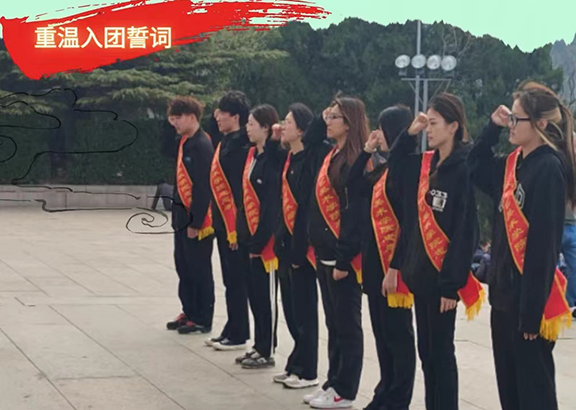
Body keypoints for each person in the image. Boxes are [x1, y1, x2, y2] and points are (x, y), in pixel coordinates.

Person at [469, 81, 575, 410]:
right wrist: (492, 128)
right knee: (510, 391)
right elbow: (475, 167)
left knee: (534, 393)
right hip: (504, 295)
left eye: (517, 119)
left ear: (540, 123)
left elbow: (543, 247)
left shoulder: (549, 168)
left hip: (528, 303)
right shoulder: (513, 164)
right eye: (510, 118)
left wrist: (531, 313)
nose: (511, 125)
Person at [389, 93, 483, 410]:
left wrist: (451, 284)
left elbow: (465, 230)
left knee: (442, 353)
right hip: (420, 273)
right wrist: (409, 134)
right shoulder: (427, 164)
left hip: (443, 278)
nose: (428, 129)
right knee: (427, 351)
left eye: (434, 123)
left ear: (453, 126)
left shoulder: (465, 166)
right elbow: (396, 167)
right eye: (427, 123)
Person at [347, 105, 416, 410]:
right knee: (383, 334)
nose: (377, 132)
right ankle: (385, 391)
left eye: (382, 128)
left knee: (399, 336)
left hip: (394, 266)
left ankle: (398, 398)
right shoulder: (383, 168)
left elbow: (409, 225)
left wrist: (395, 267)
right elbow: (353, 184)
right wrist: (366, 151)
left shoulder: (407, 170)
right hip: (375, 264)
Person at [304, 96, 367, 409]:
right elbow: (311, 137)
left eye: (335, 117)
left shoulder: (355, 159)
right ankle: (333, 381)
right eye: (328, 116)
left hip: (343, 258)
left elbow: (353, 216)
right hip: (323, 252)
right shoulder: (332, 153)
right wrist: (324, 112)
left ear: (350, 123)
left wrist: (344, 257)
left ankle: (346, 389)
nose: (328, 122)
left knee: (347, 326)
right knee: (333, 324)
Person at [273, 103, 329, 389]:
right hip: (285, 245)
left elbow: (306, 208)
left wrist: (297, 247)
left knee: (305, 312)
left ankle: (308, 371)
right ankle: (295, 362)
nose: (283, 126)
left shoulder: (312, 158)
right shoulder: (289, 159)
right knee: (291, 310)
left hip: (303, 248)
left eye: (288, 122)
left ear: (303, 129)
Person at [235, 104, 282, 369]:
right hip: (248, 238)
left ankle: (268, 349)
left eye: (252, 123)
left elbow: (271, 207)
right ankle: (258, 344)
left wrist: (259, 241)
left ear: (266, 127)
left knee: (266, 299)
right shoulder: (252, 155)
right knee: (254, 296)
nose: (247, 128)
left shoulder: (271, 161)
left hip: (265, 245)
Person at [165, 95, 215, 335]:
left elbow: (203, 188)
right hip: (181, 218)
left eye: (178, 118)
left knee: (199, 269)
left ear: (192, 117)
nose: (174, 122)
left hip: (197, 222)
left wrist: (196, 222)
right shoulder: (184, 142)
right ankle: (189, 310)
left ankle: (203, 317)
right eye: (172, 118)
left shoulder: (202, 145)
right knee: (183, 267)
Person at [207, 91, 252, 351]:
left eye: (222, 113)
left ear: (235, 117)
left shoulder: (242, 146)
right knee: (229, 279)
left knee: (236, 280)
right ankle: (232, 325)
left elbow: (240, 191)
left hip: (235, 224)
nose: (217, 117)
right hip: (222, 222)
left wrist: (236, 228)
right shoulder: (225, 141)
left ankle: (239, 332)